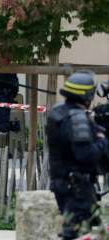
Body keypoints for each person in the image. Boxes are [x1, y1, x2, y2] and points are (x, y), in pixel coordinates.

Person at [47, 70, 109, 239]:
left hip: (64, 183)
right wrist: (103, 141)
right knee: (76, 233)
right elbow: (85, 154)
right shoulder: (77, 118)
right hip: (76, 187)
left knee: (81, 231)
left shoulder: (58, 113)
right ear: (87, 95)